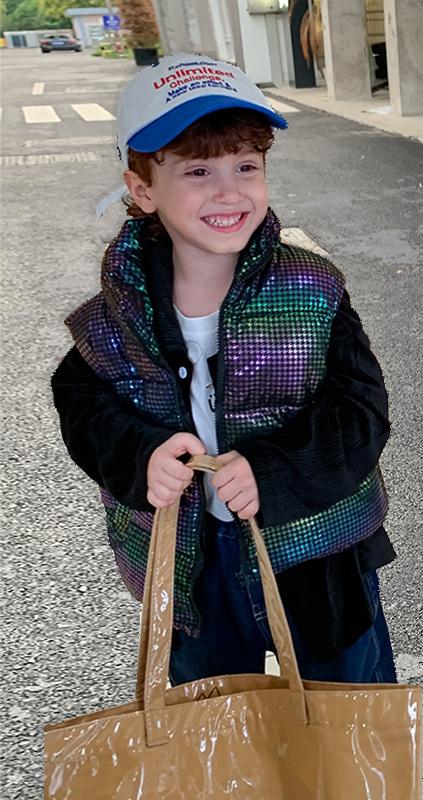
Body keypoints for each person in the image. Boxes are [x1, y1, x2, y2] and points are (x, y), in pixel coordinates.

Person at [52, 54, 397, 686]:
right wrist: (140, 455)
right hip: (192, 569)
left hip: (316, 557)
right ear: (142, 187)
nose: (229, 191)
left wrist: (272, 471)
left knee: (339, 714)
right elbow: (81, 399)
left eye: (246, 166)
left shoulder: (312, 289)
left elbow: (361, 410)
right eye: (198, 170)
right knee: (208, 732)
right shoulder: (115, 312)